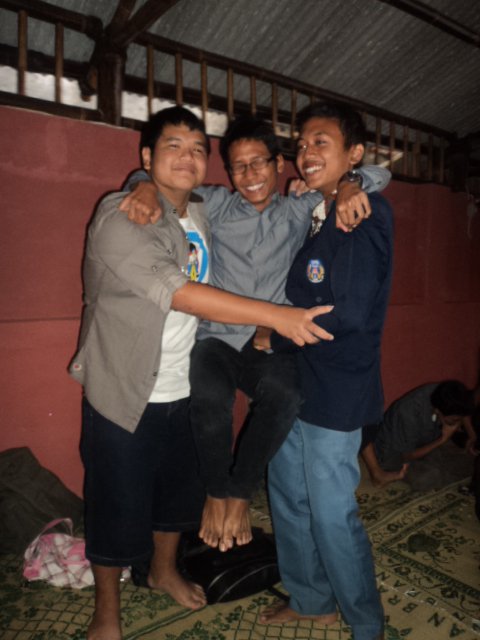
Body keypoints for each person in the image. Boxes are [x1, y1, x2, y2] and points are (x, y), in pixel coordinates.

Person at [69, 106, 334, 640]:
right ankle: (106, 613)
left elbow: (351, 179)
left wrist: (347, 184)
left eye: (196, 150)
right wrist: (276, 317)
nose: (187, 158)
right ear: (148, 156)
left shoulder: (200, 209)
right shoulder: (123, 215)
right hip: (126, 388)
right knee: (116, 502)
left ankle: (164, 570)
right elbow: (180, 292)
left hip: (182, 383)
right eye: (173, 147)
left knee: (178, 496)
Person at [120, 115, 391, 552]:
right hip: (218, 338)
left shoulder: (299, 207)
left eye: (259, 162)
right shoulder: (214, 205)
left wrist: (351, 184)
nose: (249, 175)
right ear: (228, 172)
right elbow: (164, 183)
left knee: (287, 394)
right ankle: (216, 492)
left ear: (279, 164)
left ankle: (241, 494)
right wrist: (142, 184)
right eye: (238, 166)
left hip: (269, 339)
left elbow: (379, 173)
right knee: (208, 399)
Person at [254, 101, 393, 640]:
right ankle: (312, 600)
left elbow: (350, 312)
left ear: (353, 154)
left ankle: (366, 624)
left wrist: (275, 330)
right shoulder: (318, 206)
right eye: (302, 144)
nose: (305, 153)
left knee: (332, 513)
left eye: (321, 142)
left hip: (337, 386)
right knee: (288, 496)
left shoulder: (365, 212)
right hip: (295, 380)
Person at [361, 380, 475, 487]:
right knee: (428, 478)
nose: (458, 423)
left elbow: (463, 412)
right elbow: (407, 455)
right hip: (394, 455)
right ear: (437, 411)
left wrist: (472, 436)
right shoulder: (409, 413)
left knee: (466, 462)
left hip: (425, 441)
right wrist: (442, 439)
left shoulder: (444, 393)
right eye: (454, 420)